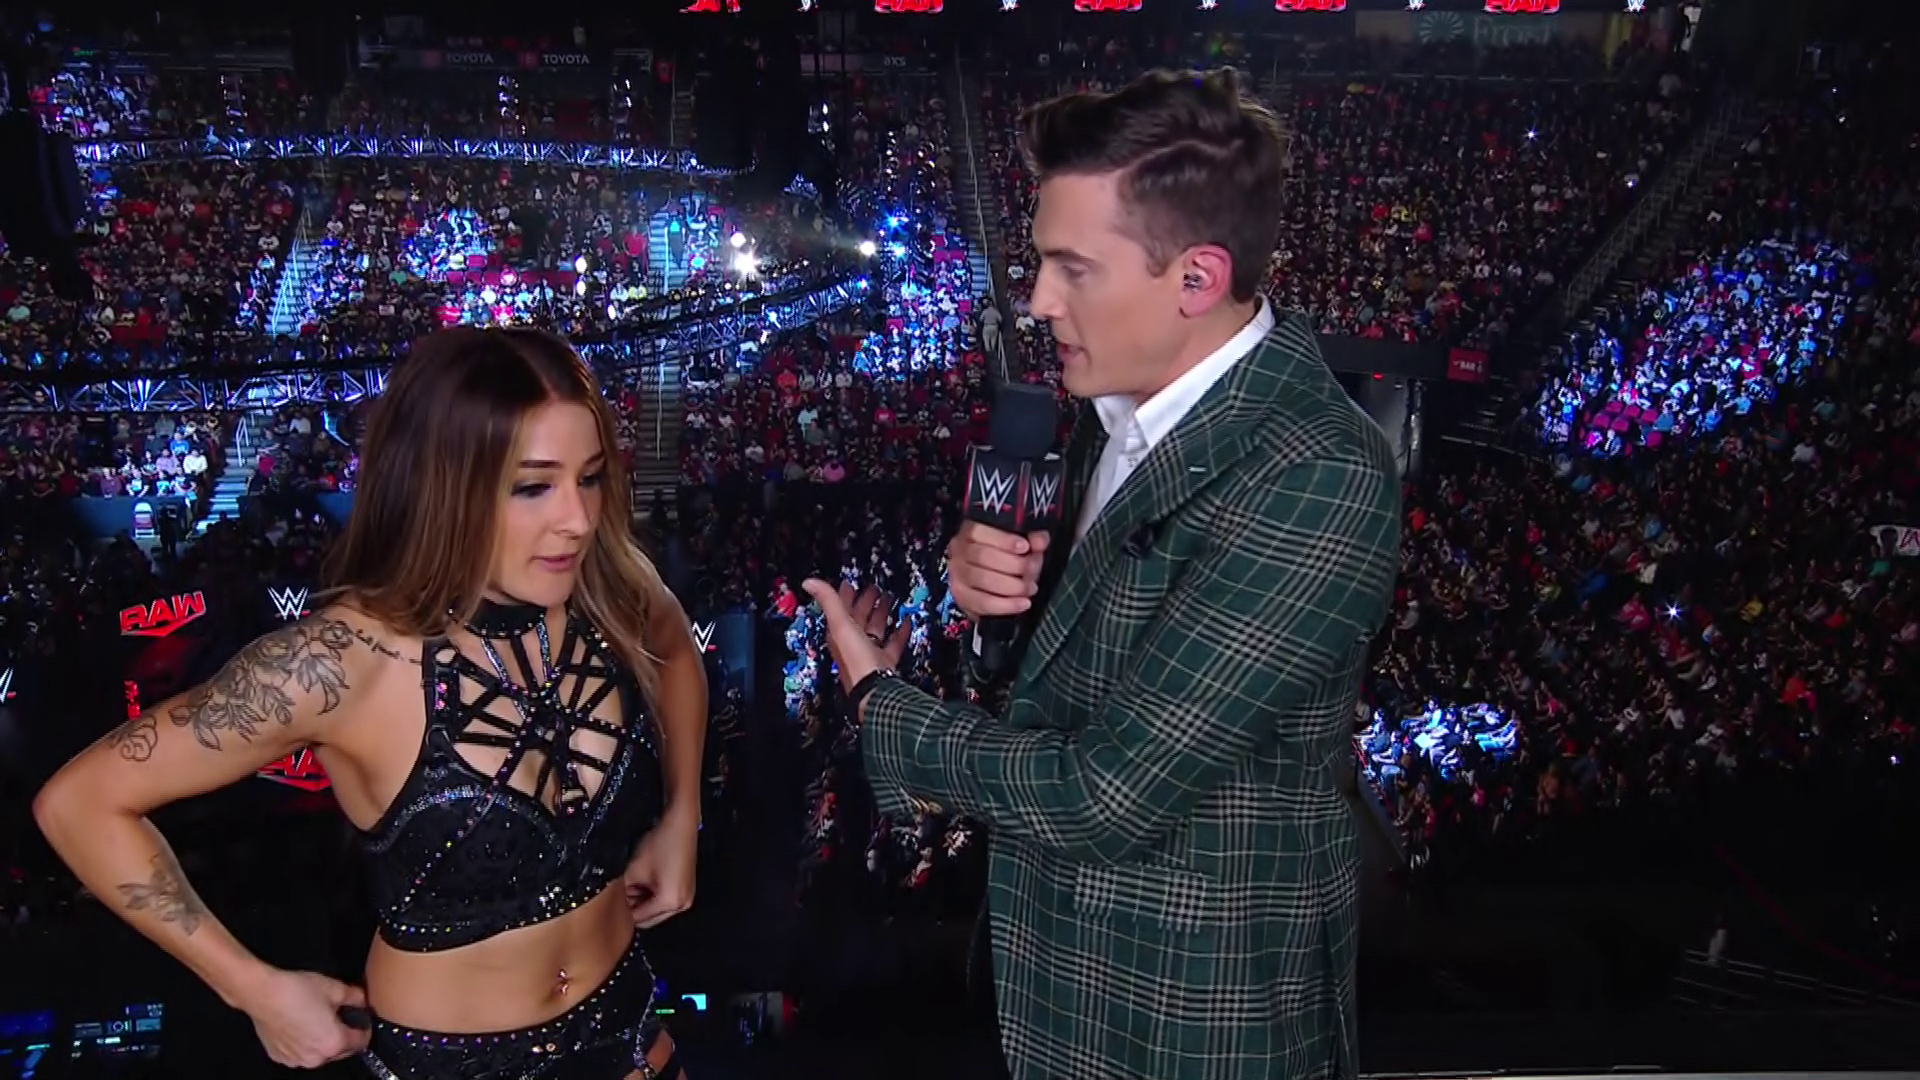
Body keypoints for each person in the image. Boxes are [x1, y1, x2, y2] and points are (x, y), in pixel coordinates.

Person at [803, 69, 1401, 1080]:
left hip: (1195, 1025)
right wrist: (996, 606)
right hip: (1063, 992)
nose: (1038, 302)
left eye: (1072, 269)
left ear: (1197, 279)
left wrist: (880, 704)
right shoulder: (1111, 414)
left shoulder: (1316, 470)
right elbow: (1064, 687)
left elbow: (1105, 795)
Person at [34, 328, 707, 1080]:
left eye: (590, 478)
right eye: (533, 487)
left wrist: (683, 816)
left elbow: (677, 650)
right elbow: (81, 803)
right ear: (443, 486)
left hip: (629, 1028)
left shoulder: (603, 584)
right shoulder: (340, 662)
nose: (578, 519)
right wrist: (251, 988)